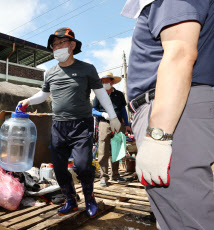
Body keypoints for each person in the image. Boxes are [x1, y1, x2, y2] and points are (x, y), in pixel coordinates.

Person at [121, 0, 214, 229]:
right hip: (180, 109)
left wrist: (158, 137)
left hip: (173, 111)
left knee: (187, 221)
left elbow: (180, 52)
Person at [18, 27, 121, 218]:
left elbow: (101, 95)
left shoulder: (87, 69)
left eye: (61, 43)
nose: (57, 47)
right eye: (54, 45)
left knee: (82, 166)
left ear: (72, 45)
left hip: (81, 125)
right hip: (58, 126)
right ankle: (71, 200)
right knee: (58, 168)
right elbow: (44, 94)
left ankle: (90, 198)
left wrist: (113, 117)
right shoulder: (49, 73)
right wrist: (28, 101)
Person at [92, 72, 132, 187]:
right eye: (103, 81)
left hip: (118, 123)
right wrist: (103, 114)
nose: (105, 83)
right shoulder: (99, 94)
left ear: (112, 81)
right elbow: (93, 110)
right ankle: (104, 176)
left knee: (117, 149)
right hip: (104, 123)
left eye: (107, 81)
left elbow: (123, 110)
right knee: (103, 149)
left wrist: (127, 123)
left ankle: (115, 175)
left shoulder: (119, 94)